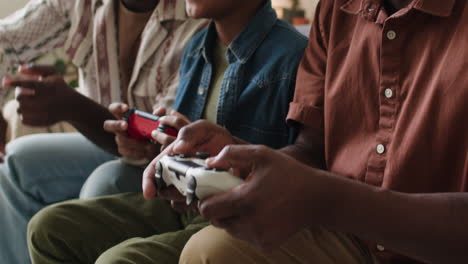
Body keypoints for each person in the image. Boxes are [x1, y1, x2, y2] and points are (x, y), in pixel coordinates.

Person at [148, 0, 467, 263]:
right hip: (348, 236)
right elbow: (310, 148)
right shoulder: (337, 9)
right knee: (208, 252)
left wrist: (326, 200)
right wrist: (244, 159)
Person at [26, 0, 308, 263]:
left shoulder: (293, 58)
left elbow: (299, 173)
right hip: (185, 204)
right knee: (47, 228)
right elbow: (180, 146)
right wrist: (153, 144)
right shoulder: (196, 48)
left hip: (235, 217)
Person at [0, 0, 206, 263]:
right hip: (104, 144)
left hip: (160, 165)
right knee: (16, 161)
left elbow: (161, 141)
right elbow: (5, 40)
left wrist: (73, 108)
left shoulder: (198, 13)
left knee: (104, 184)